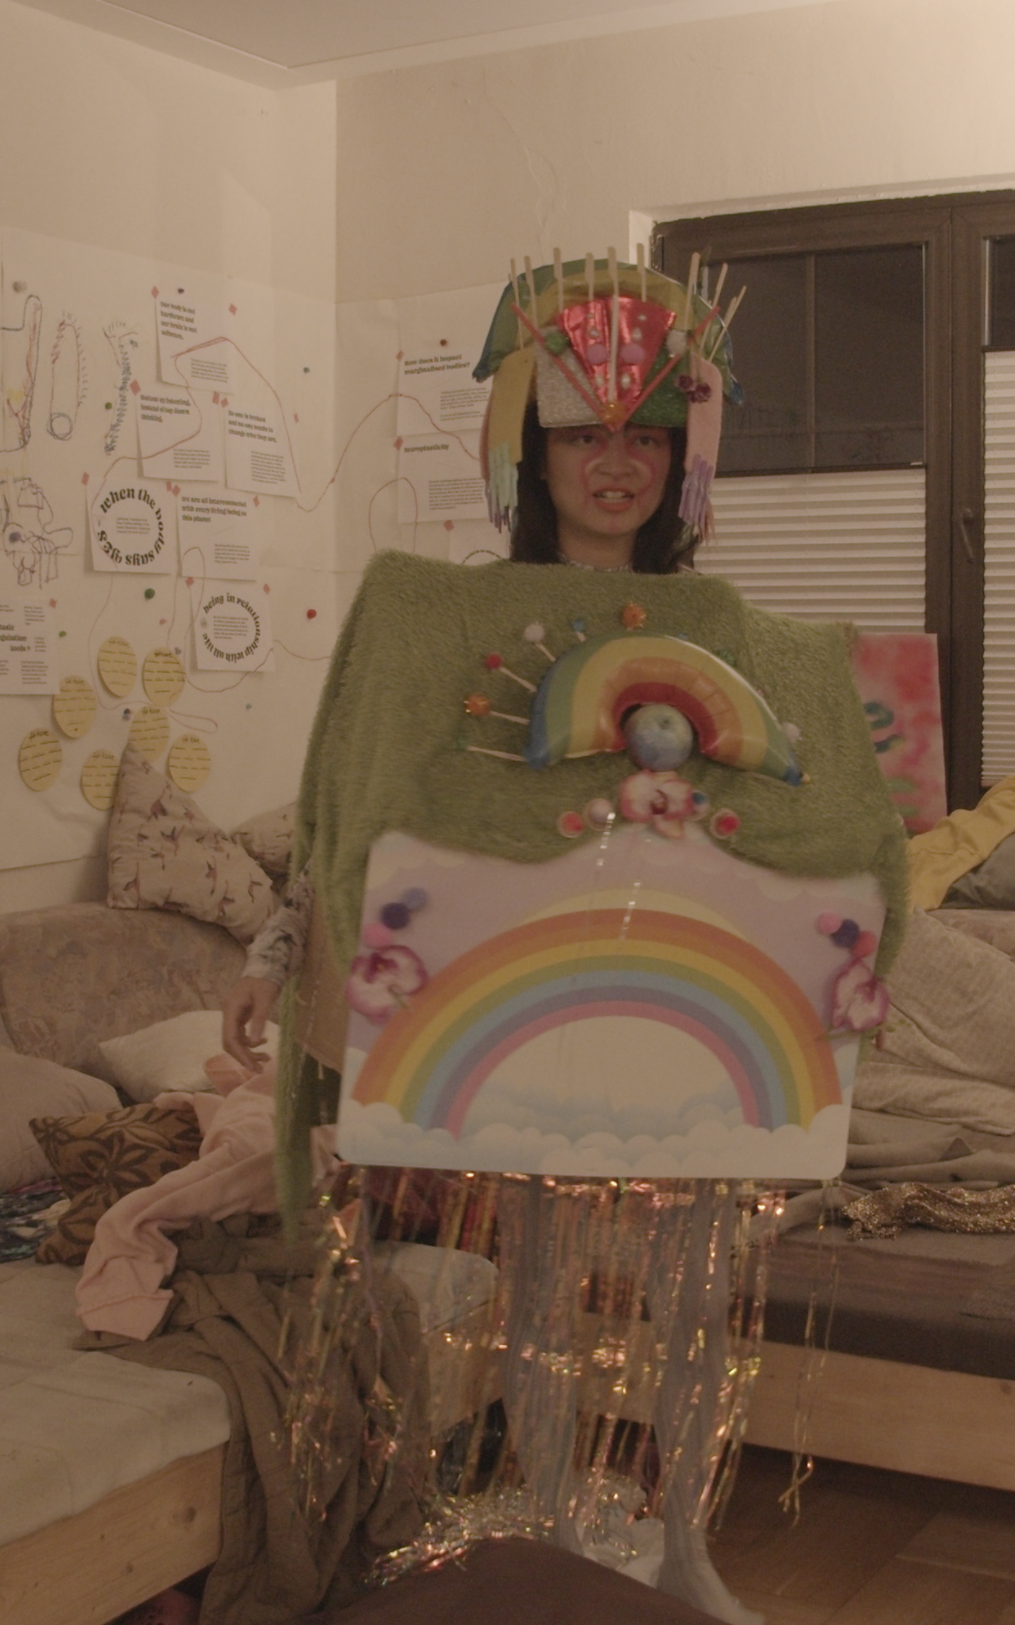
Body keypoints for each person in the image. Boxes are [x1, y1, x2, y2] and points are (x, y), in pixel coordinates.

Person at [221, 256, 765, 1624]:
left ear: (677, 455)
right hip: (518, 1003)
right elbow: (367, 812)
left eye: (645, 434)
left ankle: (691, 1553)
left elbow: (780, 812)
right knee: (530, 1283)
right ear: (533, 449)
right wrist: (279, 953)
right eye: (585, 433)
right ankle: (551, 1527)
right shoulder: (453, 622)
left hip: (683, 1000)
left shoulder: (723, 625)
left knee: (695, 1294)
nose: (616, 463)